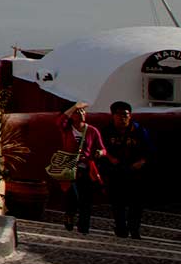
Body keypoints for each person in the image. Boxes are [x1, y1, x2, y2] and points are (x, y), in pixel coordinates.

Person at [102, 100, 152, 239]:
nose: (122, 118)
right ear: (113, 116)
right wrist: (110, 159)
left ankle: (135, 229)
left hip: (135, 172)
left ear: (130, 116)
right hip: (115, 171)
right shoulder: (107, 131)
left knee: (136, 203)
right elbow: (101, 149)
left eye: (125, 115)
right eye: (119, 115)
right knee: (118, 202)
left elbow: (149, 150)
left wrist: (141, 162)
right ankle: (121, 228)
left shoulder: (139, 131)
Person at [56, 102, 107, 234]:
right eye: (78, 112)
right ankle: (69, 216)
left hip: (86, 168)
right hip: (69, 167)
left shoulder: (92, 130)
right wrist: (74, 107)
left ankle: (84, 226)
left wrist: (100, 153)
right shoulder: (66, 129)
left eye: (83, 111)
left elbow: (103, 148)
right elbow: (60, 120)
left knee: (86, 199)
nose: (81, 114)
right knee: (71, 195)